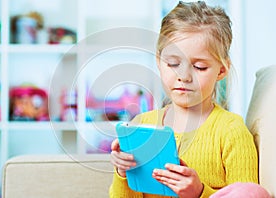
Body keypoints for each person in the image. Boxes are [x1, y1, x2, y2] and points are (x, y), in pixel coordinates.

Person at [109, 1, 261, 198]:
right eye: (173, 63)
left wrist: (199, 193)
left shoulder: (231, 131)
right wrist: (123, 173)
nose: (184, 76)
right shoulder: (142, 125)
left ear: (221, 70)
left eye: (199, 67)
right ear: (159, 62)